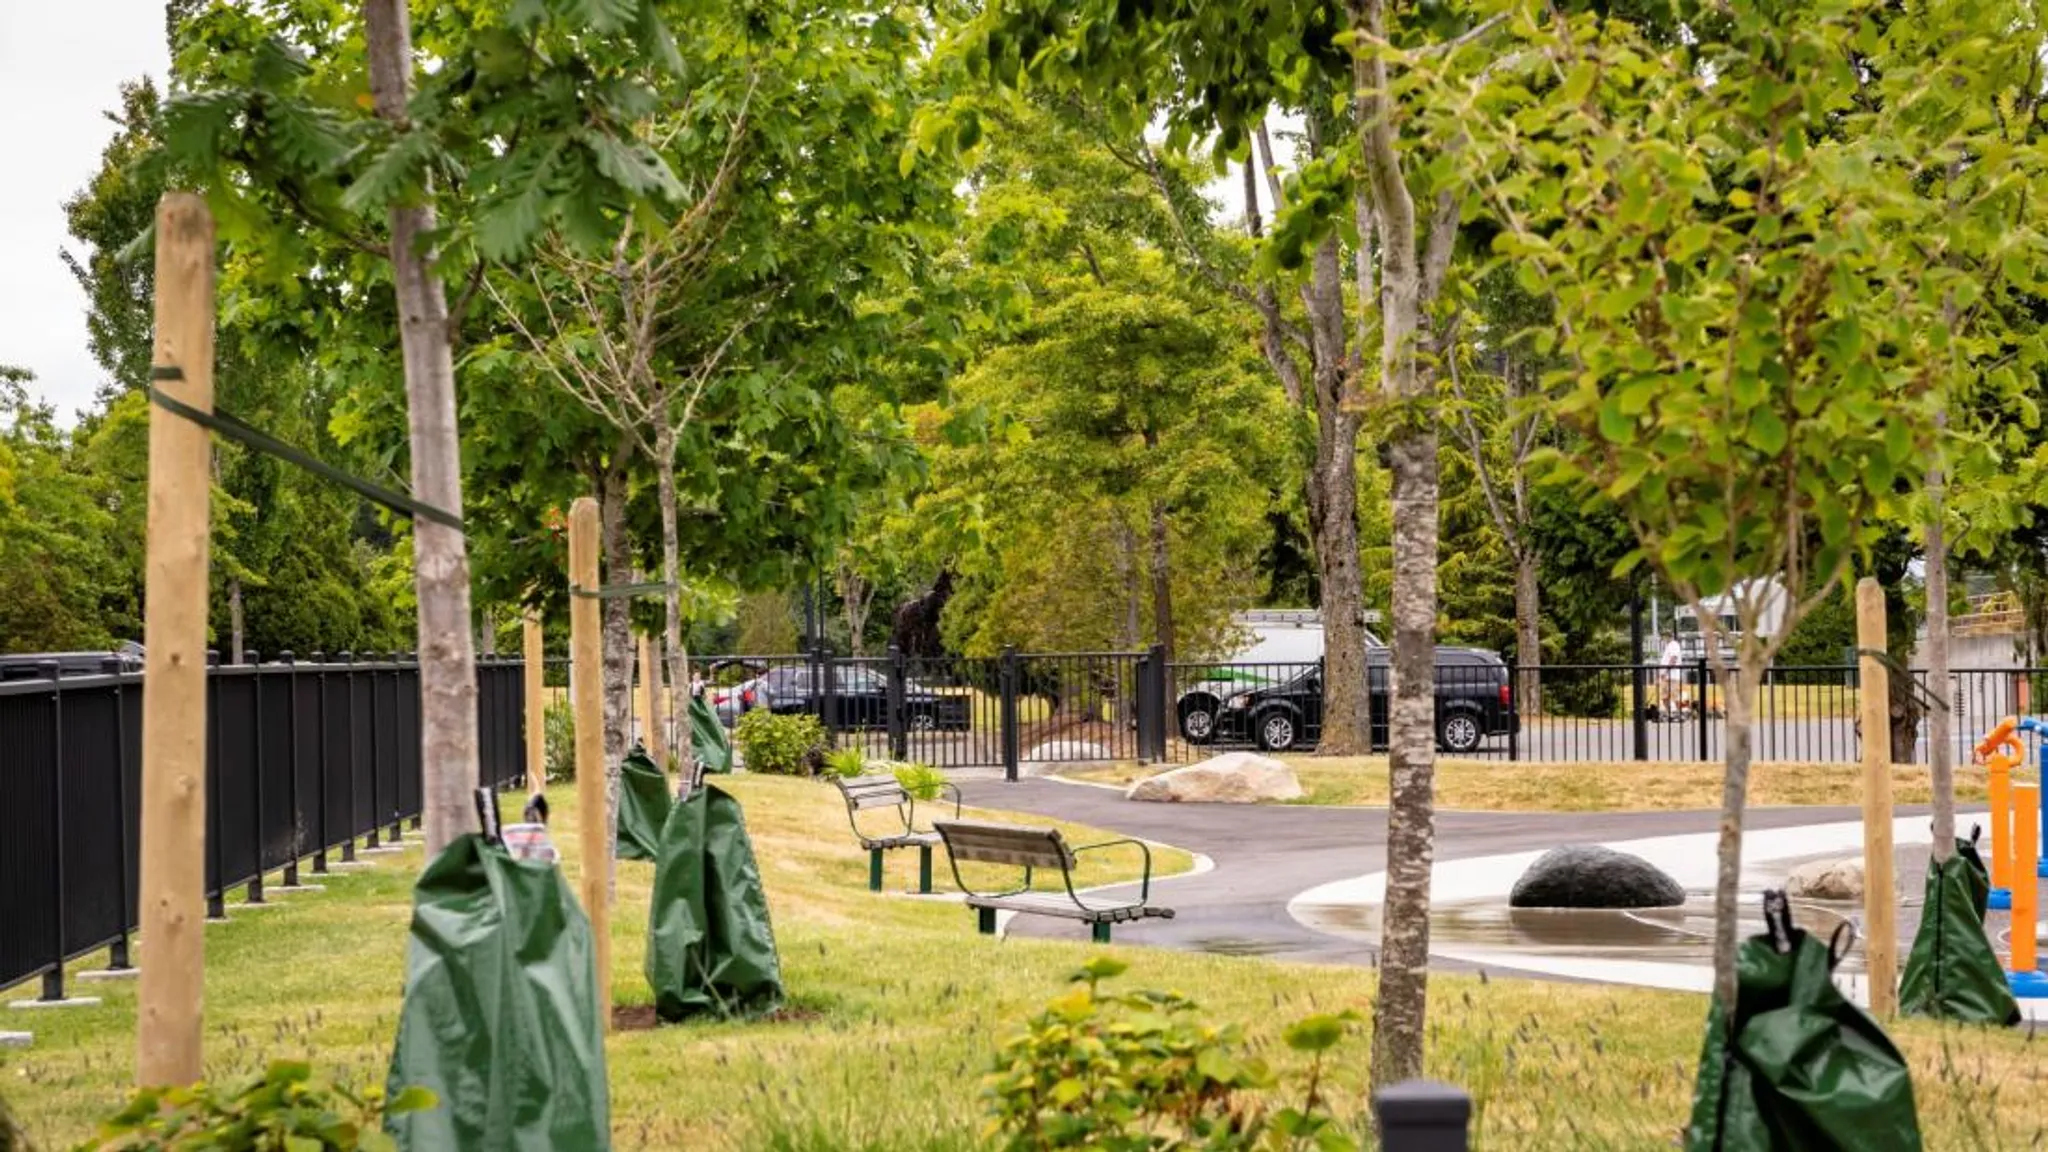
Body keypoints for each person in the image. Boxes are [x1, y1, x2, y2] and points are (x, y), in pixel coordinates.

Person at [1660, 635, 1686, 719]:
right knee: (1664, 696)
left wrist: (1666, 671)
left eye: (1664, 636)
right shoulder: (1668, 646)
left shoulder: (1674, 645)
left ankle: (1680, 713)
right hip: (1666, 676)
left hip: (1673, 676)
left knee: (1675, 696)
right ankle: (1669, 714)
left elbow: (1673, 658)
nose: (1663, 639)